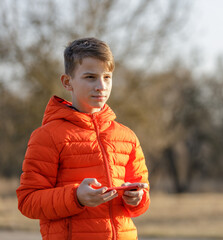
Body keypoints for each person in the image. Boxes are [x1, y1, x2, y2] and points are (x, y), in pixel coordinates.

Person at [16, 37, 150, 240]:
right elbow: (28, 201)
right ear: (67, 82)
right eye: (90, 77)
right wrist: (76, 197)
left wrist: (136, 199)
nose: (101, 86)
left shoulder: (127, 137)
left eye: (107, 77)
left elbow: (141, 203)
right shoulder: (47, 136)